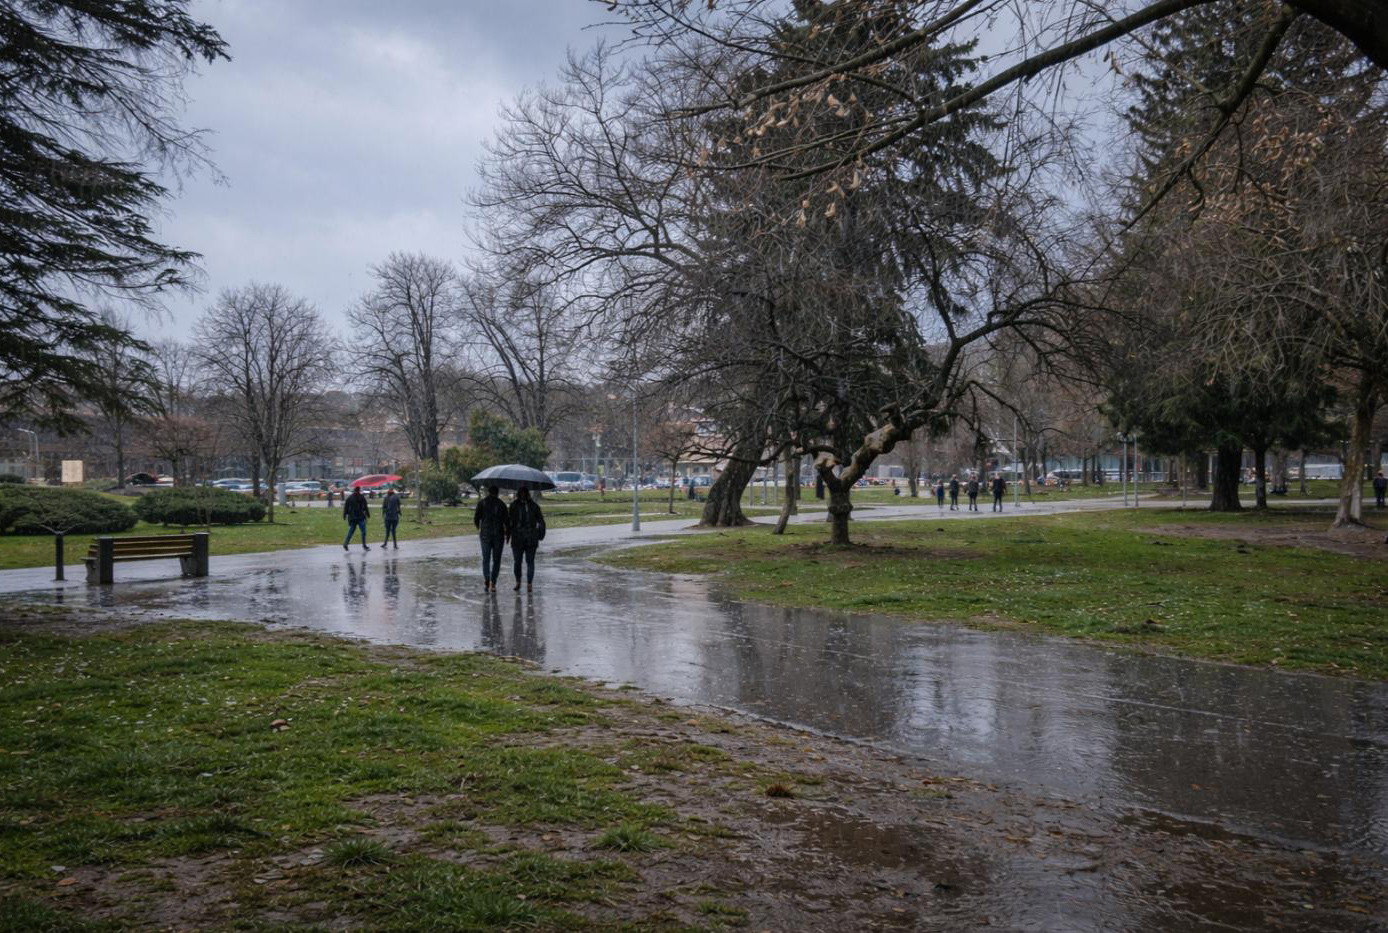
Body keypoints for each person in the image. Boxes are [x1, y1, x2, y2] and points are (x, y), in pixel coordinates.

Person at [507, 487, 546, 592]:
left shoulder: (514, 506)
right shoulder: (534, 506)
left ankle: (519, 582)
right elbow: (541, 521)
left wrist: (508, 534)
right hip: (530, 538)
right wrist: (540, 535)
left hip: (519, 539)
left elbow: (508, 522)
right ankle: (528, 583)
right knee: (529, 562)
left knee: (518, 562)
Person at [473, 485, 509, 593]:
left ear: (489, 492)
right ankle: (493, 583)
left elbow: (476, 518)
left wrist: (480, 528)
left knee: (486, 559)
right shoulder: (501, 505)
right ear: (497, 492)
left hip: (485, 535)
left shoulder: (482, 503)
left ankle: (487, 579)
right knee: (496, 560)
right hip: (498, 535)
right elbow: (506, 521)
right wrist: (508, 534)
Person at [342, 486, 370, 551]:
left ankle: (346, 544)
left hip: (356, 517)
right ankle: (347, 544)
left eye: (358, 490)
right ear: (357, 490)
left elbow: (365, 506)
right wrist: (367, 514)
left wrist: (345, 514)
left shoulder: (359, 497)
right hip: (356, 517)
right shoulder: (354, 497)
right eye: (357, 490)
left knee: (356, 532)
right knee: (359, 532)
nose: (358, 491)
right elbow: (365, 507)